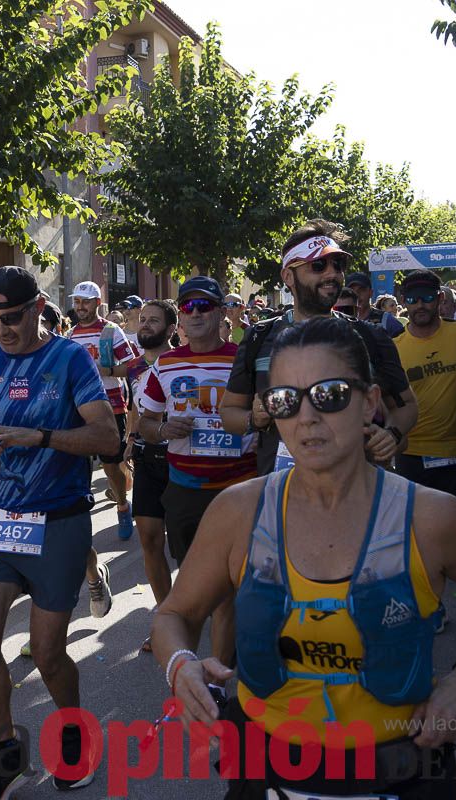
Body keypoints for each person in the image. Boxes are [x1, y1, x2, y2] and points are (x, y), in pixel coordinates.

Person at [152, 317, 456, 800]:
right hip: (265, 768)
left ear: (370, 403)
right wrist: (180, 665)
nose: (307, 416)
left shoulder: (432, 518)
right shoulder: (237, 512)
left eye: (330, 394)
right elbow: (175, 614)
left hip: (401, 769)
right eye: (285, 401)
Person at [0, 266, 120, 798]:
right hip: (0, 522)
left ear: (39, 306)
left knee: (48, 654)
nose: (2, 328)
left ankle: (73, 728)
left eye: (13, 317)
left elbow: (107, 437)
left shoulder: (71, 357)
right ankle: (7, 751)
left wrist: (42, 436)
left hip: (60, 521)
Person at [220, 220, 418, 476]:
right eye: (318, 265)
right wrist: (253, 419)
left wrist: (391, 434)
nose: (332, 273)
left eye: (338, 265)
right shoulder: (259, 337)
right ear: (288, 276)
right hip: (283, 494)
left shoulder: (370, 337)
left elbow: (407, 406)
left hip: (355, 493)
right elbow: (229, 413)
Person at [138, 276, 255, 666]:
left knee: (226, 595)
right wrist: (163, 430)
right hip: (186, 489)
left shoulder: (243, 360)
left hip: (238, 489)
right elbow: (146, 423)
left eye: (206, 305)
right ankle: (185, 675)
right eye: (189, 306)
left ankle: (219, 681)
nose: (197, 313)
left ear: (222, 311)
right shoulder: (165, 365)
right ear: (181, 318)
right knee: (193, 591)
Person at [391, 269, 456, 626]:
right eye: (412, 299)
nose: (420, 305)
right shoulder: (395, 348)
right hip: (414, 452)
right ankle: (433, 604)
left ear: (440, 299)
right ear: (404, 302)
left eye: (427, 298)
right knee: (420, 538)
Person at [123, 300, 176, 652]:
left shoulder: (183, 361)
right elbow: (133, 407)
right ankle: (167, 616)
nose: (144, 325)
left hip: (183, 460)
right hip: (146, 459)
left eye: (153, 320)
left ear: (171, 329)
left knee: (191, 546)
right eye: (142, 320)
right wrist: (129, 438)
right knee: (150, 540)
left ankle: (201, 608)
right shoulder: (133, 368)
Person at [67, 281, 136, 539]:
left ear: (97, 302)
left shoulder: (111, 330)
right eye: (77, 302)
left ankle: (122, 505)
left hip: (111, 404)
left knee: (111, 466)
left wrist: (105, 371)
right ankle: (79, 516)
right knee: (79, 464)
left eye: (85, 301)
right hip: (79, 406)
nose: (80, 306)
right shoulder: (71, 335)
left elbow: (132, 366)